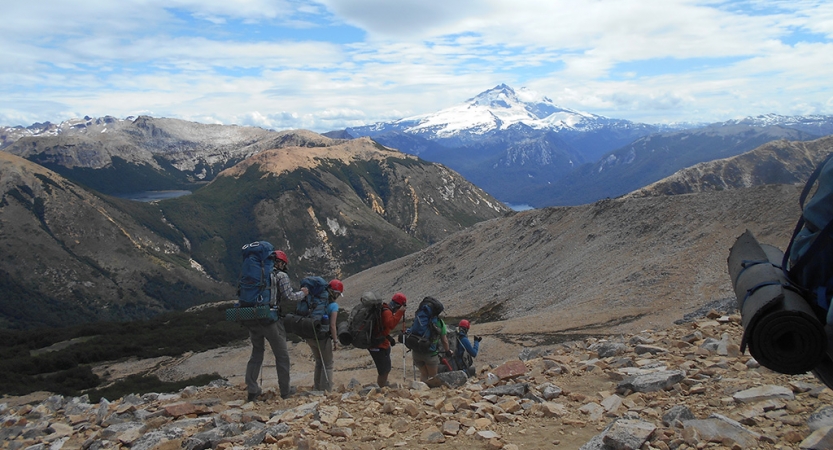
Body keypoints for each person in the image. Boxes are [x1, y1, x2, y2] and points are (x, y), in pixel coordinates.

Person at [244, 250, 307, 402]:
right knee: (282, 356)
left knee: (257, 352)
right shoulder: (281, 275)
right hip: (271, 319)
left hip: (252, 317)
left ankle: (252, 389)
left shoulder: (255, 273)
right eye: (283, 264)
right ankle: (285, 391)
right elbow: (289, 296)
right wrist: (303, 293)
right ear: (280, 263)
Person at [305, 279, 342, 392]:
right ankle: (326, 390)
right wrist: (335, 341)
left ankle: (317, 388)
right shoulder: (333, 306)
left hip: (310, 334)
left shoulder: (315, 299)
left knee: (319, 362)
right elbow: (332, 325)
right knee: (328, 364)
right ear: (335, 293)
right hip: (323, 337)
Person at [368, 292, 407, 387]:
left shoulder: (383, 310)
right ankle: (381, 388)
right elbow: (391, 324)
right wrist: (400, 311)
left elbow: (382, 328)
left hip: (378, 343)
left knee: (385, 368)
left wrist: (389, 338)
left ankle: (382, 385)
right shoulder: (386, 312)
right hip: (379, 345)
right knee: (384, 370)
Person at [409, 299, 450, 384]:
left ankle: (422, 394)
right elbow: (444, 340)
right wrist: (447, 351)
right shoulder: (439, 323)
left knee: (424, 374)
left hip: (416, 352)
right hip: (430, 354)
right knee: (433, 377)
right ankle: (431, 395)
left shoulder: (419, 318)